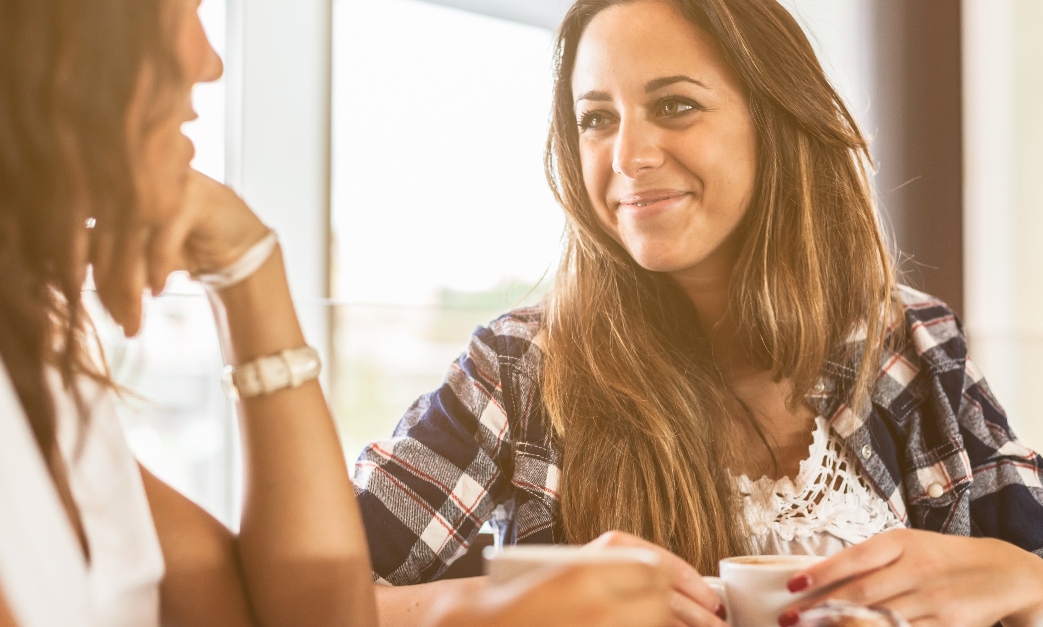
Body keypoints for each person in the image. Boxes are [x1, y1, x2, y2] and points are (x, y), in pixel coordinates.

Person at [354, 0, 1043, 625]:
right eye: (598, 117)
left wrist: (1010, 577)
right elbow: (310, 600)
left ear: (776, 121)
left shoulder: (908, 342)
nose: (627, 155)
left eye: (675, 105)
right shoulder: (521, 369)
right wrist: (500, 607)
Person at [0, 0, 672, 626]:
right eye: (181, 11)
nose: (210, 60)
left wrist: (249, 269)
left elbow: (301, 611)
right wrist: (492, 610)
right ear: (64, 43)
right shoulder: (522, 361)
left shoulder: (51, 387)